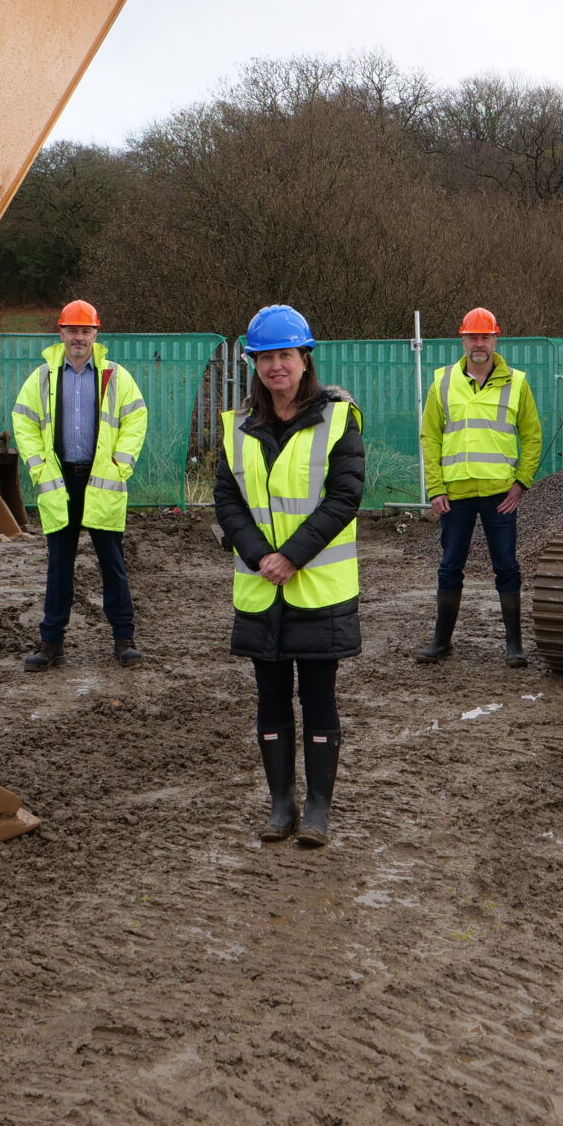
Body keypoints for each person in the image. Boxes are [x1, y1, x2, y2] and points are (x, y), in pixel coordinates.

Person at [214, 304, 364, 848]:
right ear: (254, 364)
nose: (276, 366)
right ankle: (281, 805)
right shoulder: (237, 428)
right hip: (260, 588)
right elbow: (227, 500)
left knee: (319, 699)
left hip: (318, 589)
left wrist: (292, 556)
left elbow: (344, 497)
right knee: (271, 699)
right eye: (266, 358)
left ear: (305, 359)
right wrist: (260, 557)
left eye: (286, 355)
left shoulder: (340, 419)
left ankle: (318, 809)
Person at [10, 298, 148, 670]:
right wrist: (38, 468)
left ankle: (124, 640)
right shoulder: (42, 377)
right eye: (72, 330)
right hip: (59, 482)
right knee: (59, 566)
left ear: (95, 334)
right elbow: (23, 422)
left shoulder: (114, 376)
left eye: (85, 331)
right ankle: (51, 643)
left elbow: (136, 419)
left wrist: (122, 464)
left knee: (112, 565)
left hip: (101, 482)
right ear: (61, 333)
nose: (78, 337)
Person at [416, 306, 543, 668]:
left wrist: (521, 482)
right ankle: (441, 642)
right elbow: (430, 437)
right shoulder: (442, 380)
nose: (479, 344)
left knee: (506, 565)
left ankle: (513, 645)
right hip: (454, 494)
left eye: (485, 336)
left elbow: (532, 436)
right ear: (463, 340)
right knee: (449, 565)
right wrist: (435, 487)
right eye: (472, 337)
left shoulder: (516, 382)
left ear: (495, 339)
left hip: (499, 494)